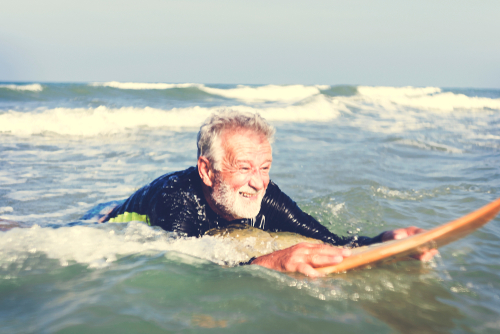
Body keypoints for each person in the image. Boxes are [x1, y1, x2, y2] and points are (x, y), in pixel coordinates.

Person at [103, 110, 437, 277]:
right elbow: (194, 268)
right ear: (207, 171)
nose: (259, 182)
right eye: (245, 168)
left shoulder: (264, 194)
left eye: (265, 168)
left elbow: (330, 239)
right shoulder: (175, 199)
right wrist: (271, 262)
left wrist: (385, 242)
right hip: (108, 221)